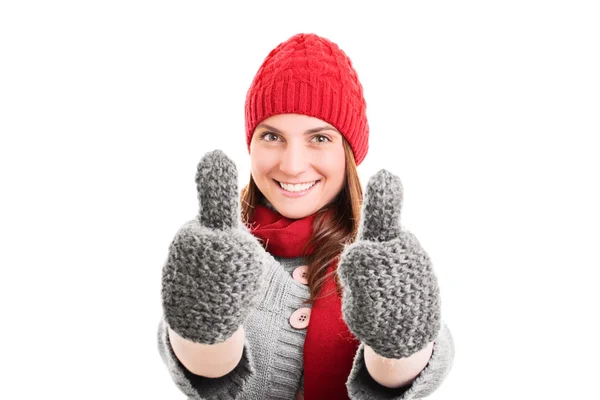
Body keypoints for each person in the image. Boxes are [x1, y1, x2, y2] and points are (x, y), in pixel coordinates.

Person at [157, 33, 454, 400]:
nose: (293, 165)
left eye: (319, 138)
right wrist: (205, 325)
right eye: (271, 137)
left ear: (348, 151)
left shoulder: (385, 259)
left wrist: (398, 339)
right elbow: (206, 373)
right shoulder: (217, 252)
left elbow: (410, 372)